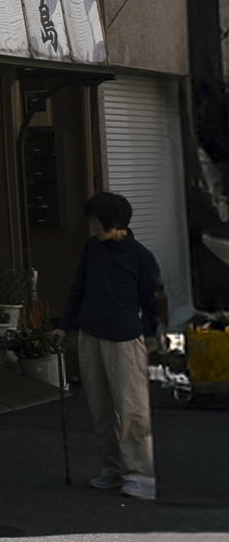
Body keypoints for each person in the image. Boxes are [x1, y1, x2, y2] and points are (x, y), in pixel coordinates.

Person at [60, 191, 167, 500]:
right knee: (100, 409)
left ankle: (141, 475)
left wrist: (153, 340)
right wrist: (64, 326)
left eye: (96, 222)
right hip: (90, 336)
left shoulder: (141, 257)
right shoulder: (93, 247)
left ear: (115, 222)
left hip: (125, 341)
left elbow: (153, 305)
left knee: (132, 410)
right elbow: (78, 287)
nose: (92, 228)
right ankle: (113, 470)